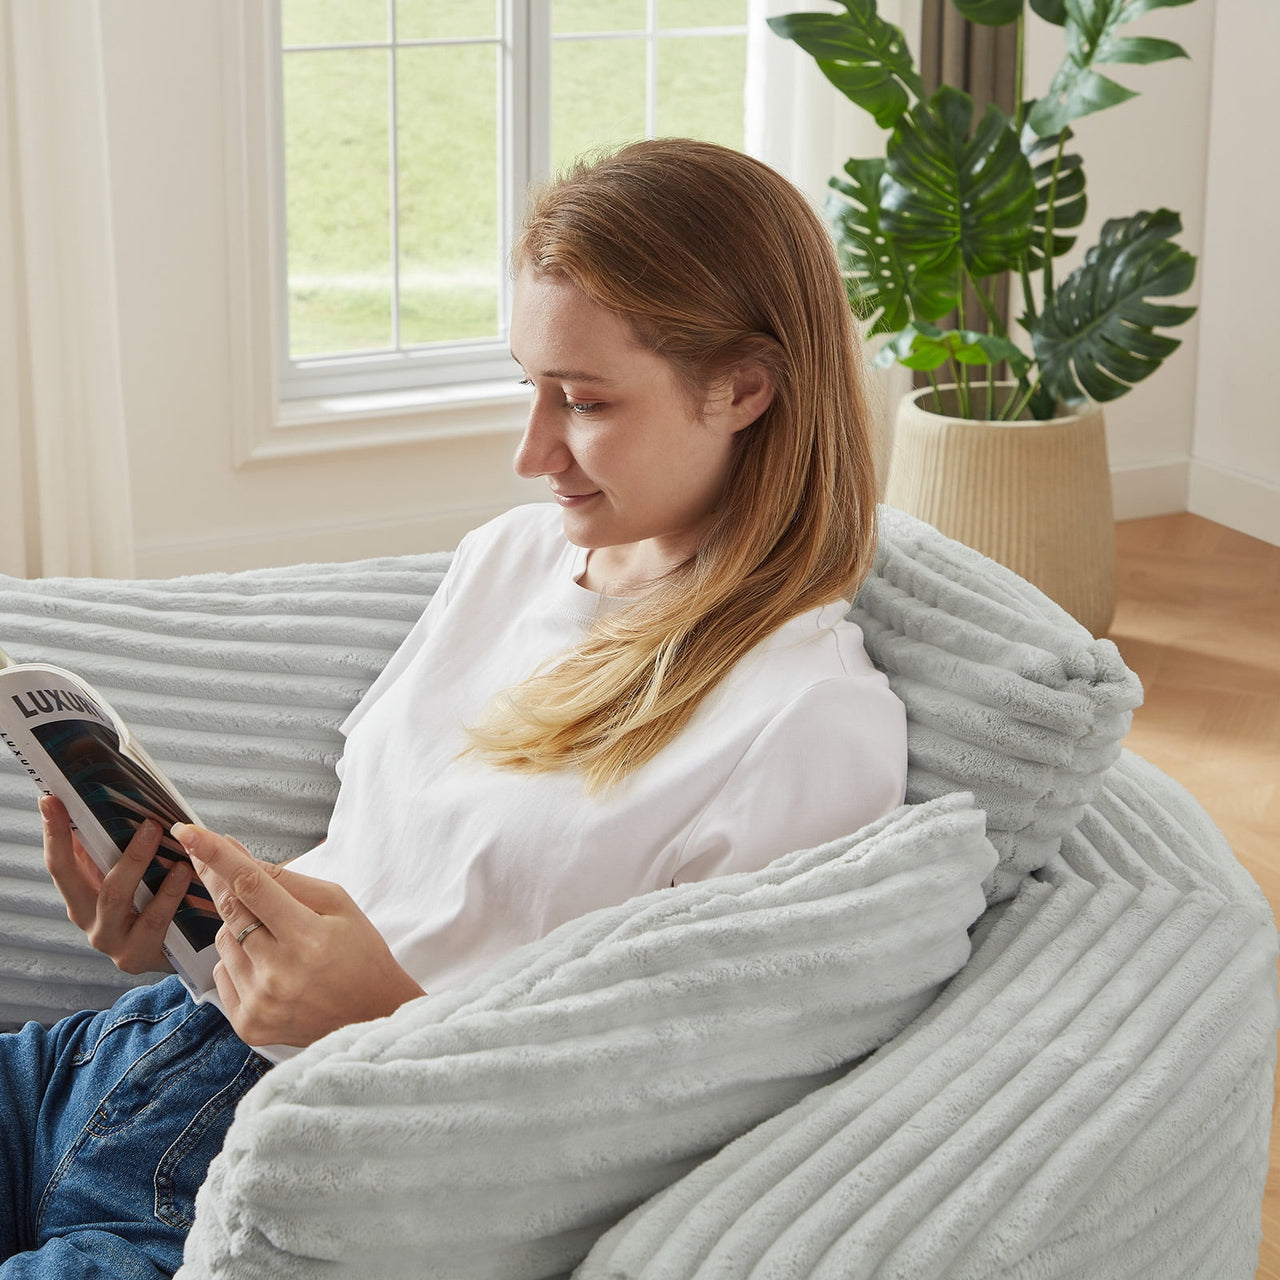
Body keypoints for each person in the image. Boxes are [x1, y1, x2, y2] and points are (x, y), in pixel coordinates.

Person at [0, 138, 907, 1276]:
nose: (531, 452)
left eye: (580, 402)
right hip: (115, 1053)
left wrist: (381, 1020)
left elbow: (662, 1116)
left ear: (743, 388)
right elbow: (393, 864)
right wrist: (180, 926)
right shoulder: (508, 559)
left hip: (264, 1167)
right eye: (527, 385)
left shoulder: (807, 723)